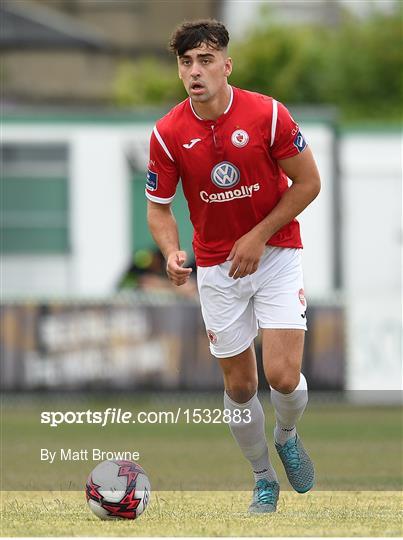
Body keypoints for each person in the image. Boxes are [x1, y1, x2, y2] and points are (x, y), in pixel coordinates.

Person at [146, 19, 321, 513]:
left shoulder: (268, 115)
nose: (195, 71)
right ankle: (263, 478)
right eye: (186, 63)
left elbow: (308, 183)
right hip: (218, 270)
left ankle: (287, 436)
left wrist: (259, 235)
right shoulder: (167, 133)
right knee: (240, 387)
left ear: (227, 65)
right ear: (179, 71)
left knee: (283, 376)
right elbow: (159, 207)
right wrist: (171, 253)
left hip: (277, 254)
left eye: (205, 60)